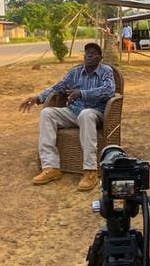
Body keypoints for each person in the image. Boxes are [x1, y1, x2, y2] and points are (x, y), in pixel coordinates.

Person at [19, 42, 116, 192]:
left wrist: (82, 93)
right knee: (47, 113)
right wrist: (37, 98)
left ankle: (90, 171)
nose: (89, 55)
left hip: (94, 112)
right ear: (83, 56)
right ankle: (51, 167)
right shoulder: (75, 72)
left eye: (93, 53)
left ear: (100, 57)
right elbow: (58, 87)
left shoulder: (106, 71)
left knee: (85, 114)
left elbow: (109, 90)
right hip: (73, 112)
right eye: (87, 53)